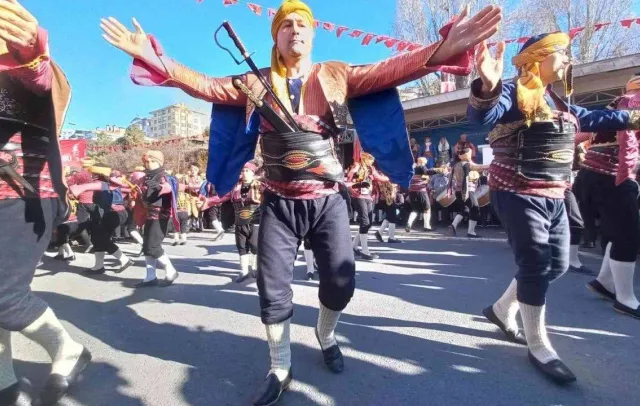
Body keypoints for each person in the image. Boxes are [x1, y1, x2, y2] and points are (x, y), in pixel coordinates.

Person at [101, 1, 501, 403]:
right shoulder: (253, 83)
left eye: (302, 24)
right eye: (286, 24)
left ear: (312, 34)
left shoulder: (336, 74)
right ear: (275, 36)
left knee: (341, 284)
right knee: (271, 288)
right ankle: (280, 365)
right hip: (278, 203)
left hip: (328, 201)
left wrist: (442, 49)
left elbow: (392, 69)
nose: (295, 29)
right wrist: (155, 58)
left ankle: (325, 333)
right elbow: (203, 84)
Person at [469, 33, 640, 384]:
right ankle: (538, 344)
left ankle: (501, 310)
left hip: (555, 193)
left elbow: (594, 118)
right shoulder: (511, 92)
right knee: (535, 263)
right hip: (516, 191)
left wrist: (639, 118)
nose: (568, 60)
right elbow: (482, 117)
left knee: (556, 265)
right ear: (538, 57)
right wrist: (487, 87)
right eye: (562, 54)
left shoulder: (558, 101)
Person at [0, 1, 91, 404]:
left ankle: (67, 349)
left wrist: (31, 46)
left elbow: (40, 74)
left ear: (1, 21)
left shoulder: (23, 67)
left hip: (22, 198)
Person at [578, 69, 640, 321]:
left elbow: (584, 135)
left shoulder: (626, 104)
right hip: (609, 176)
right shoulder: (631, 103)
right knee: (631, 231)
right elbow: (630, 135)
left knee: (619, 231)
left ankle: (604, 281)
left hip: (600, 176)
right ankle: (625, 299)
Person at [69, 166, 133, 274]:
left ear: (97, 174)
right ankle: (99, 266)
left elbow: (88, 186)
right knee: (97, 238)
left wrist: (78, 188)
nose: (91, 176)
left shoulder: (101, 183)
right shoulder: (109, 183)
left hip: (112, 214)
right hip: (112, 214)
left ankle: (124, 260)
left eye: (93, 174)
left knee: (101, 239)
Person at [206, 162, 262, 283]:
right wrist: (208, 201)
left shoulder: (260, 186)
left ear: (253, 173)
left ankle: (255, 269)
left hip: (255, 221)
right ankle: (244, 271)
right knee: (241, 246)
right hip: (240, 221)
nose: (244, 173)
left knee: (255, 246)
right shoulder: (235, 187)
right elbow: (221, 197)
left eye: (247, 171)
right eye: (242, 171)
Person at [133, 151, 180, 288]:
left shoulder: (164, 177)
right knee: (147, 247)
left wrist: (160, 188)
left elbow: (168, 188)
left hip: (161, 217)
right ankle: (150, 277)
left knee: (153, 247)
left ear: (159, 162)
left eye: (152, 161)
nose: (149, 164)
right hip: (149, 216)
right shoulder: (145, 178)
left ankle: (171, 271)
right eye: (146, 161)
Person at [347, 152, 388, 261]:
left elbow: (378, 177)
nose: (372, 162)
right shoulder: (357, 166)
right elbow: (349, 178)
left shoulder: (371, 168)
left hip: (368, 196)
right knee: (365, 222)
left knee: (368, 223)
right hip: (358, 196)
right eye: (370, 160)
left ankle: (353, 246)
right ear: (365, 159)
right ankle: (365, 251)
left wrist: (390, 178)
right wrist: (354, 173)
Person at [448, 148, 488, 237]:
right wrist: (491, 165)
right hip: (467, 191)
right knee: (475, 209)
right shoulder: (467, 164)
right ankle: (471, 232)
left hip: (459, 191)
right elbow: (479, 167)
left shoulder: (456, 165)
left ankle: (453, 225)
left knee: (465, 210)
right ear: (467, 155)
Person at [406, 157, 434, 232]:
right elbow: (427, 172)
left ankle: (409, 223)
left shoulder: (412, 168)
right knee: (427, 208)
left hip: (412, 191)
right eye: (425, 163)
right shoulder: (422, 167)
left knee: (415, 210)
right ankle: (426, 226)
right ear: (423, 162)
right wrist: (438, 170)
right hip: (421, 191)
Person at [374, 178, 403, 244]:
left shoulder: (383, 176)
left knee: (389, 217)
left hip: (386, 199)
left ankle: (379, 233)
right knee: (392, 218)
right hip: (388, 199)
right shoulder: (385, 177)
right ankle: (391, 237)